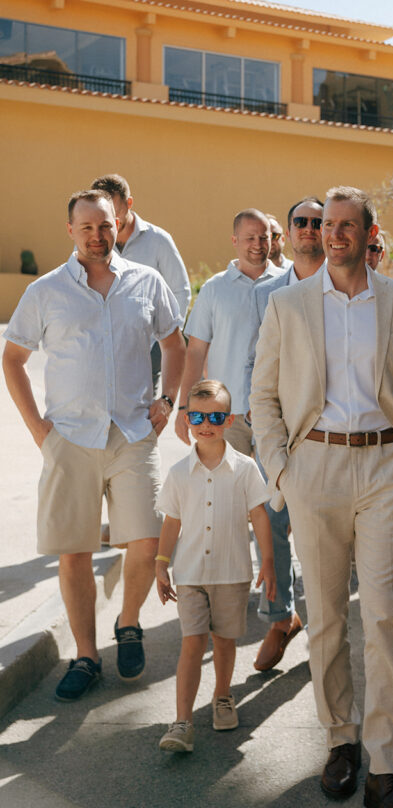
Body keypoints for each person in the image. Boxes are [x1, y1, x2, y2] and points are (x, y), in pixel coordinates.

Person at [250, 186, 393, 808]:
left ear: (368, 230)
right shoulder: (289, 305)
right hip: (316, 470)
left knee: (385, 616)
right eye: (325, 225)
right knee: (328, 617)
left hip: (388, 465)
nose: (332, 234)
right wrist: (282, 472)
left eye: (345, 225)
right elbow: (263, 398)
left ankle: (388, 764)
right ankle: (340, 740)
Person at [2, 190, 186, 701]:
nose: (97, 236)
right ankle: (86, 655)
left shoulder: (146, 283)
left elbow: (174, 343)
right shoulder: (46, 291)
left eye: (104, 226)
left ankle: (128, 624)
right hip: (70, 438)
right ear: (70, 231)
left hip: (132, 433)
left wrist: (167, 400)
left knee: (147, 540)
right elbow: (12, 358)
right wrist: (40, 430)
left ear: (119, 223)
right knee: (74, 550)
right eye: (86, 228)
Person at [155, 380, 276, 752]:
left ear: (229, 420)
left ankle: (223, 696)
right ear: (188, 418)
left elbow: (259, 515)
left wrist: (268, 561)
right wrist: (161, 563)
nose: (205, 424)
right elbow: (171, 521)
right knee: (192, 643)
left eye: (215, 416)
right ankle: (182, 722)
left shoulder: (245, 468)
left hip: (232, 572)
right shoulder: (178, 473)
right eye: (197, 416)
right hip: (190, 575)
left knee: (224, 642)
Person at [245, 197, 325, 673]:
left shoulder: (345, 283)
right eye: (302, 222)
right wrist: (261, 424)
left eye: (319, 222)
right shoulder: (266, 292)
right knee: (271, 527)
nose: (310, 229)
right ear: (288, 233)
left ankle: (322, 627)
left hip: (333, 436)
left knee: (326, 537)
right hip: (278, 432)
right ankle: (280, 619)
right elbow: (261, 361)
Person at [176, 209, 283, 456]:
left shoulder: (287, 285)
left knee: (273, 492)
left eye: (264, 237)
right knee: (229, 490)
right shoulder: (215, 288)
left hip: (276, 413)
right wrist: (184, 408)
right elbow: (195, 351)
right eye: (250, 238)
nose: (258, 244)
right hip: (225, 415)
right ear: (234, 241)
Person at [91, 174, 191, 393]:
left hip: (149, 347)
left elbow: (180, 290)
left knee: (143, 414)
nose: (110, 223)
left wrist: (165, 338)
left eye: (114, 213)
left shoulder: (158, 240)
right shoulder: (92, 242)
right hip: (102, 346)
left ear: (129, 204)